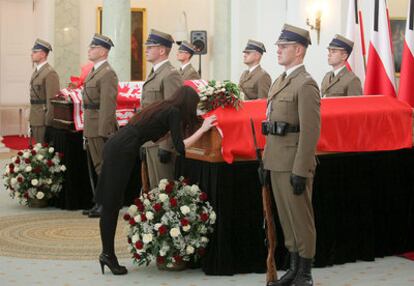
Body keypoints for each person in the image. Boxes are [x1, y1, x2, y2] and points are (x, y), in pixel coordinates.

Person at [96, 86, 217, 275]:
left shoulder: (164, 107)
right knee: (111, 204)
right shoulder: (174, 112)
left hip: (119, 144)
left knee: (111, 202)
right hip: (122, 149)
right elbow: (181, 148)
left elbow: (158, 136)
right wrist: (203, 129)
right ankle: (107, 255)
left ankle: (107, 254)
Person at [262, 24, 321, 286]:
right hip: (276, 160)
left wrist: (301, 168)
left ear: (298, 50)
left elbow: (310, 133)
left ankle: (305, 273)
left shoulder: (306, 84)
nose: (278, 50)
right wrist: (266, 161)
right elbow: (270, 125)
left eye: (283, 46)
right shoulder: (280, 80)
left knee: (301, 218)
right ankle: (295, 269)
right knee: (286, 217)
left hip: (294, 163)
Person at [82, 34, 118, 218]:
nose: (89, 49)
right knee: (98, 166)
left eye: (93, 47)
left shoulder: (107, 73)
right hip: (91, 124)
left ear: (103, 51)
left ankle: (106, 204)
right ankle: (99, 202)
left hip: (99, 127)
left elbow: (107, 105)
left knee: (103, 167)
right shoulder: (95, 71)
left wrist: (105, 131)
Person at [141, 29, 183, 189]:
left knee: (163, 189)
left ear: (162, 50)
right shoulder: (155, 73)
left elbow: (174, 113)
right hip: (150, 140)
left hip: (161, 142)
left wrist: (167, 145)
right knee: (153, 188)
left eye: (150, 47)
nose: (146, 50)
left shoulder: (170, 74)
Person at [29, 38, 60, 144]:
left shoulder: (50, 73)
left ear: (42, 54)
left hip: (43, 119)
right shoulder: (37, 71)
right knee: (37, 150)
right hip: (35, 116)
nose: (31, 54)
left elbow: (52, 100)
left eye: (34, 52)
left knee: (43, 150)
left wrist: (48, 122)